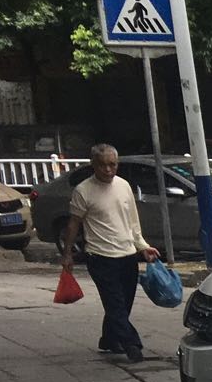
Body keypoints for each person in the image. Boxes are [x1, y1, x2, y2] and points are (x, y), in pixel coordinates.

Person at [61, 144, 159, 363]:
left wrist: (142, 246)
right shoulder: (83, 191)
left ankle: (109, 338)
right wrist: (67, 254)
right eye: (102, 165)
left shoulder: (123, 186)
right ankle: (132, 345)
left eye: (112, 165)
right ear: (93, 165)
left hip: (127, 253)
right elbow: (74, 223)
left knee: (124, 302)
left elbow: (132, 221)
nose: (107, 170)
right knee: (114, 302)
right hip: (100, 256)